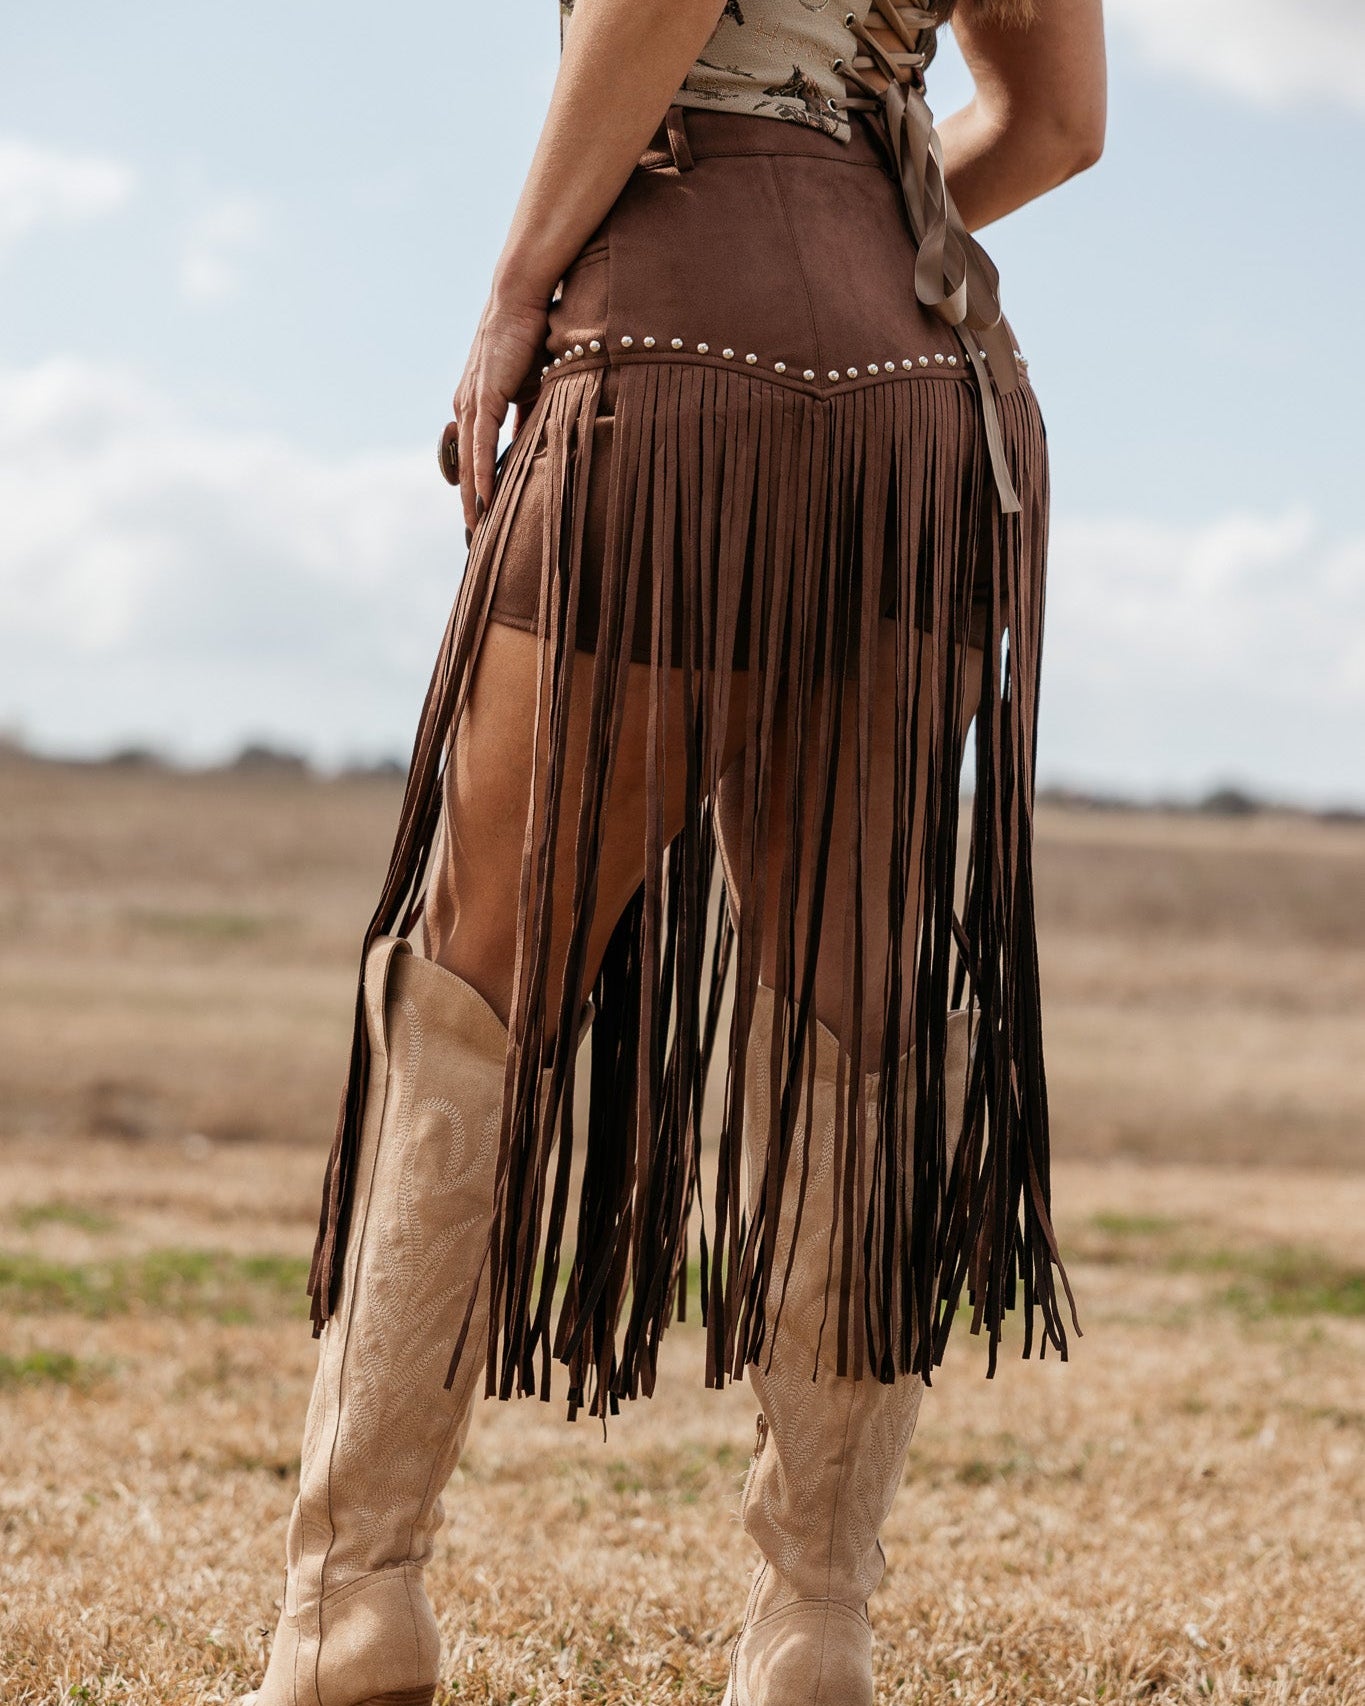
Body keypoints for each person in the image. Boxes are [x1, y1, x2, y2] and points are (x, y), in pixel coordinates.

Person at [237, 2, 1104, 1702]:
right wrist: (851, 205)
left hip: (676, 348)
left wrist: (515, 286)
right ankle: (812, 1628)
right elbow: (1057, 123)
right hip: (927, 392)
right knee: (853, 1002)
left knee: (479, 967)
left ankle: (354, 1602)